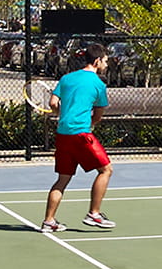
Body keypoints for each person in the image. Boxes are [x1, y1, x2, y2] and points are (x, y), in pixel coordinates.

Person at [39, 42, 116, 231]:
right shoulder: (99, 84)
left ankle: (49, 221)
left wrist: (60, 113)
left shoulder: (66, 78)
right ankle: (94, 214)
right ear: (97, 61)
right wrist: (90, 124)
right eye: (105, 61)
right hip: (81, 135)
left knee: (63, 179)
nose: (106, 64)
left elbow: (53, 103)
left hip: (63, 135)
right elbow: (97, 116)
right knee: (106, 170)